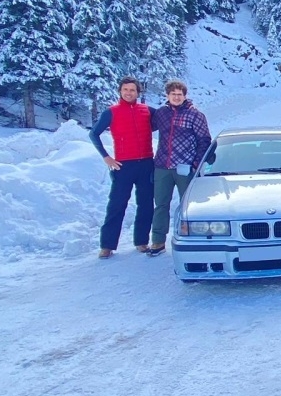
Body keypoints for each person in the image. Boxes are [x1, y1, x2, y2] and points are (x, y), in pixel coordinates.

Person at [89, 76, 157, 259]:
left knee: (146, 205)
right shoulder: (111, 112)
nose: (129, 93)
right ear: (120, 91)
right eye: (125, 90)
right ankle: (107, 245)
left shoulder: (147, 111)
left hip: (146, 164)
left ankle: (141, 241)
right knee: (117, 205)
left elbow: (167, 123)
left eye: (132, 90)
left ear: (138, 92)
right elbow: (93, 134)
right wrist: (106, 157)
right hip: (123, 165)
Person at [148, 80, 211, 256]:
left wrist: (196, 163)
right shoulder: (161, 114)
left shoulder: (195, 115)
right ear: (167, 96)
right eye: (173, 94)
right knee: (161, 204)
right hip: (162, 166)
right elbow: (146, 128)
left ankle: (194, 240)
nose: (177, 97)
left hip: (185, 167)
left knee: (189, 207)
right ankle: (158, 241)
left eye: (180, 94)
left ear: (185, 96)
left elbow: (204, 140)